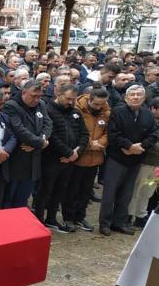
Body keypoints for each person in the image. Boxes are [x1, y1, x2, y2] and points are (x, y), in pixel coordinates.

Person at [99, 85, 159, 236]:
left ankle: (119, 222)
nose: (135, 97)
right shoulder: (117, 112)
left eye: (139, 95)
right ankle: (104, 223)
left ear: (144, 98)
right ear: (126, 98)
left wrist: (141, 147)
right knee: (109, 194)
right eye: (132, 94)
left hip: (135, 159)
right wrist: (129, 146)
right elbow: (113, 134)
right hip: (117, 158)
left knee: (126, 194)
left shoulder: (147, 114)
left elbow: (153, 134)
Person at [34, 83, 89, 232]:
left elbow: (84, 134)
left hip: (70, 160)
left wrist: (76, 153)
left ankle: (51, 218)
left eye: (73, 99)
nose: (71, 102)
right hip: (51, 159)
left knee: (60, 190)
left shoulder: (75, 112)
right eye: (68, 98)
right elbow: (51, 136)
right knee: (44, 191)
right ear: (59, 95)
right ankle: (38, 219)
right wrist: (69, 153)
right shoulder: (48, 110)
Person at [62, 85, 111, 232]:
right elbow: (76, 131)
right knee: (72, 190)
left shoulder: (106, 112)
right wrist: (90, 144)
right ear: (89, 99)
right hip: (79, 156)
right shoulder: (77, 110)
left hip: (95, 157)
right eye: (96, 104)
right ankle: (68, 217)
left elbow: (109, 132)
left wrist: (100, 144)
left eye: (101, 104)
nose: (98, 107)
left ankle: (80, 216)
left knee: (86, 191)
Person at [3, 80, 52, 208]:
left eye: (39, 96)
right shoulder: (11, 106)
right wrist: (41, 143)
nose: (36, 99)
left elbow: (48, 124)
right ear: (24, 92)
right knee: (9, 198)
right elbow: (19, 130)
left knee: (23, 199)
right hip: (16, 160)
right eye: (33, 96)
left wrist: (40, 141)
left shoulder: (41, 104)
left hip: (33, 160)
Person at [127, 97, 159, 227]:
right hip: (145, 161)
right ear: (153, 109)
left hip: (156, 164)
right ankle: (129, 215)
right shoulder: (146, 121)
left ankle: (141, 215)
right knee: (137, 189)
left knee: (148, 191)